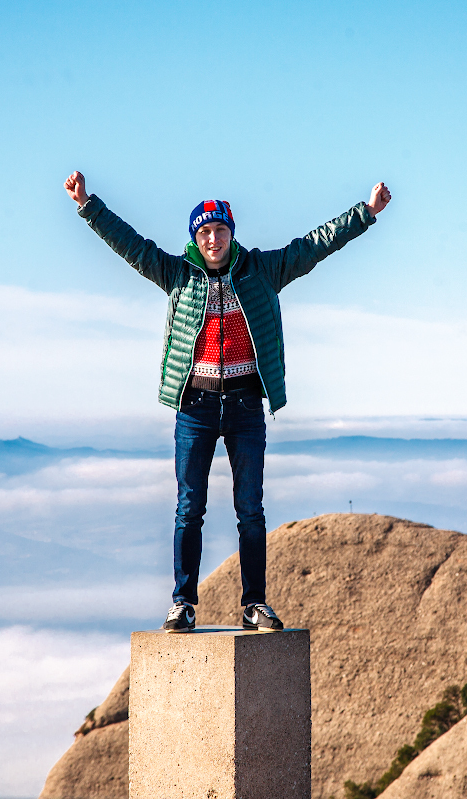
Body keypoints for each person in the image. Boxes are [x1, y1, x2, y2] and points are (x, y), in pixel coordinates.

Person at [64, 172, 391, 632]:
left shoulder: (262, 270)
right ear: (195, 238)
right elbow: (131, 245)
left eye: (220, 230)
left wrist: (366, 212)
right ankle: (182, 603)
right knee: (188, 508)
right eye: (204, 232)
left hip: (243, 408)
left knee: (250, 510)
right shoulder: (177, 273)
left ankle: (254, 604)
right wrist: (87, 205)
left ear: (231, 234)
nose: (213, 238)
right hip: (194, 407)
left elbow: (314, 244)